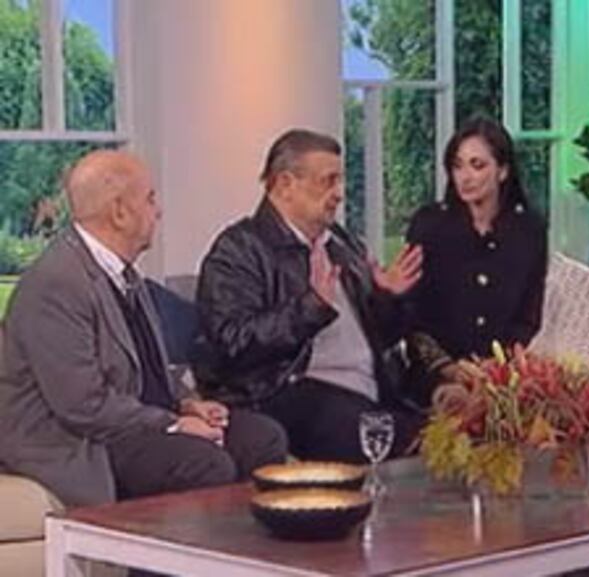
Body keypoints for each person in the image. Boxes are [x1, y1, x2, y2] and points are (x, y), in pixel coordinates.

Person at [0, 150, 287, 509]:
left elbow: (145, 370)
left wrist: (187, 405)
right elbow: (82, 406)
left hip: (132, 422)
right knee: (203, 463)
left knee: (261, 438)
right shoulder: (56, 284)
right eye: (150, 199)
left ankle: (246, 545)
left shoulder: (125, 273)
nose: (159, 211)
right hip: (79, 441)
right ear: (120, 212)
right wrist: (172, 424)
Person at [194, 129, 424, 464]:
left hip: (370, 389)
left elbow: (383, 338)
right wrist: (311, 308)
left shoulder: (342, 244)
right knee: (397, 439)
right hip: (285, 393)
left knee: (448, 435)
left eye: (340, 181)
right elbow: (233, 344)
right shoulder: (239, 250)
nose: (339, 194)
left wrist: (389, 297)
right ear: (285, 184)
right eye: (328, 182)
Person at [403, 117, 547, 385]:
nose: (465, 177)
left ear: (502, 171)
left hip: (501, 376)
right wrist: (447, 368)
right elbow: (410, 315)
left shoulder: (528, 230)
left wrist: (499, 365)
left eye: (477, 165)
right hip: (435, 377)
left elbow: (529, 316)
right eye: (458, 166)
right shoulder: (430, 225)